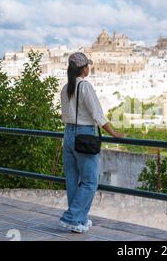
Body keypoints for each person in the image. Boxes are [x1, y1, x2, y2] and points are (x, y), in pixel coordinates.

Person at [59, 52, 124, 233]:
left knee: (72, 180)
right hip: (84, 135)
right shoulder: (85, 87)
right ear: (83, 69)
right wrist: (115, 134)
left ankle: (79, 221)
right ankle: (71, 217)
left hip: (68, 134)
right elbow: (98, 116)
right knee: (90, 181)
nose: (89, 69)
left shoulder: (66, 88)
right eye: (88, 66)